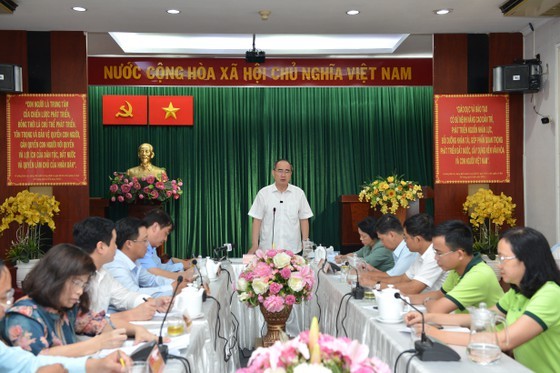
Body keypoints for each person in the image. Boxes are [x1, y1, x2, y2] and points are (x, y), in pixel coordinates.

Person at [405, 227, 560, 372]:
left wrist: (435, 333)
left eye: (504, 258)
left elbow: (503, 340)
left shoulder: (550, 294)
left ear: (528, 259)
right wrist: (428, 317)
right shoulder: (517, 292)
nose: (500, 265)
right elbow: (479, 317)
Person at [0, 259, 131, 372]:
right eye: (76, 283)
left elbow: (31, 364)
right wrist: (96, 345)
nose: (80, 291)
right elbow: (40, 358)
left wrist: (98, 365)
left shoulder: (65, 307)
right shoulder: (22, 316)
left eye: (83, 285)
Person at [73, 217, 171, 334]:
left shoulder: (104, 273)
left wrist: (151, 302)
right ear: (101, 247)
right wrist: (130, 315)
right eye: (114, 242)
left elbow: (124, 296)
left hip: (103, 336)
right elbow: (81, 322)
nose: (116, 247)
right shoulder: (74, 278)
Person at [407, 220, 504, 313]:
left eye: (439, 253)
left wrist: (428, 302)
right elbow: (439, 295)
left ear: (460, 254)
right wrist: (405, 298)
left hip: (488, 329)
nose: (436, 258)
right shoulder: (457, 270)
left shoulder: (479, 275)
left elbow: (437, 309)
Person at [360, 213, 445, 294]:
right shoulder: (420, 254)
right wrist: (371, 279)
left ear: (418, 239)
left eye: (406, 237)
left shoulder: (434, 256)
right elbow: (403, 279)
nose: (404, 241)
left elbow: (413, 288)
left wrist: (376, 285)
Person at [104, 217, 187, 297]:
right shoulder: (115, 264)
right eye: (144, 240)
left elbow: (151, 280)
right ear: (129, 244)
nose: (147, 245)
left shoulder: (135, 261)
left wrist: (177, 283)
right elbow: (133, 294)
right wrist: (172, 288)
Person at [248, 159, 313, 254]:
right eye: (280, 171)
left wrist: (305, 242)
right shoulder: (263, 193)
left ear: (291, 174)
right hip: (268, 250)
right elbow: (257, 220)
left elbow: (304, 219)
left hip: (293, 250)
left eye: (287, 171)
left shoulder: (299, 193)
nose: (283, 175)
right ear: (273, 173)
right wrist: (254, 244)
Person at [138, 208, 195, 281]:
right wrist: (182, 275)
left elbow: (158, 268)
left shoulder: (152, 247)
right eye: (166, 233)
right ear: (155, 227)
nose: (165, 239)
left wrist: (184, 264)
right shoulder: (140, 245)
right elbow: (153, 272)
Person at [359, 214, 417, 280]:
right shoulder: (398, 249)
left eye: (382, 239)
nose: (382, 243)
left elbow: (393, 279)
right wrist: (371, 270)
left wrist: (361, 275)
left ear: (391, 235)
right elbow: (391, 275)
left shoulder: (408, 250)